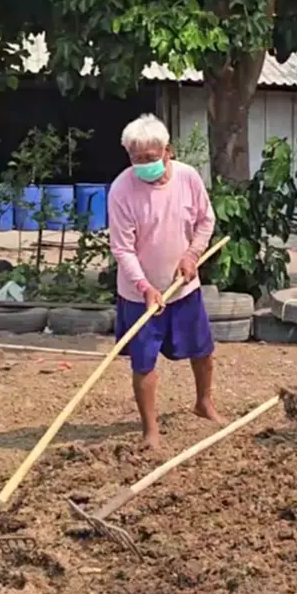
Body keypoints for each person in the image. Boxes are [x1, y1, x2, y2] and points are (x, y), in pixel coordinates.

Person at [109, 113, 223, 450]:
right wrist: (144, 287)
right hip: (138, 292)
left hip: (183, 286)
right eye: (136, 159)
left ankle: (204, 403)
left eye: (150, 158)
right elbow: (122, 248)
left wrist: (192, 254)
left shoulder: (188, 178)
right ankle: (151, 430)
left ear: (167, 151)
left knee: (202, 350)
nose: (143, 165)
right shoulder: (121, 190)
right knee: (144, 361)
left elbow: (206, 219)